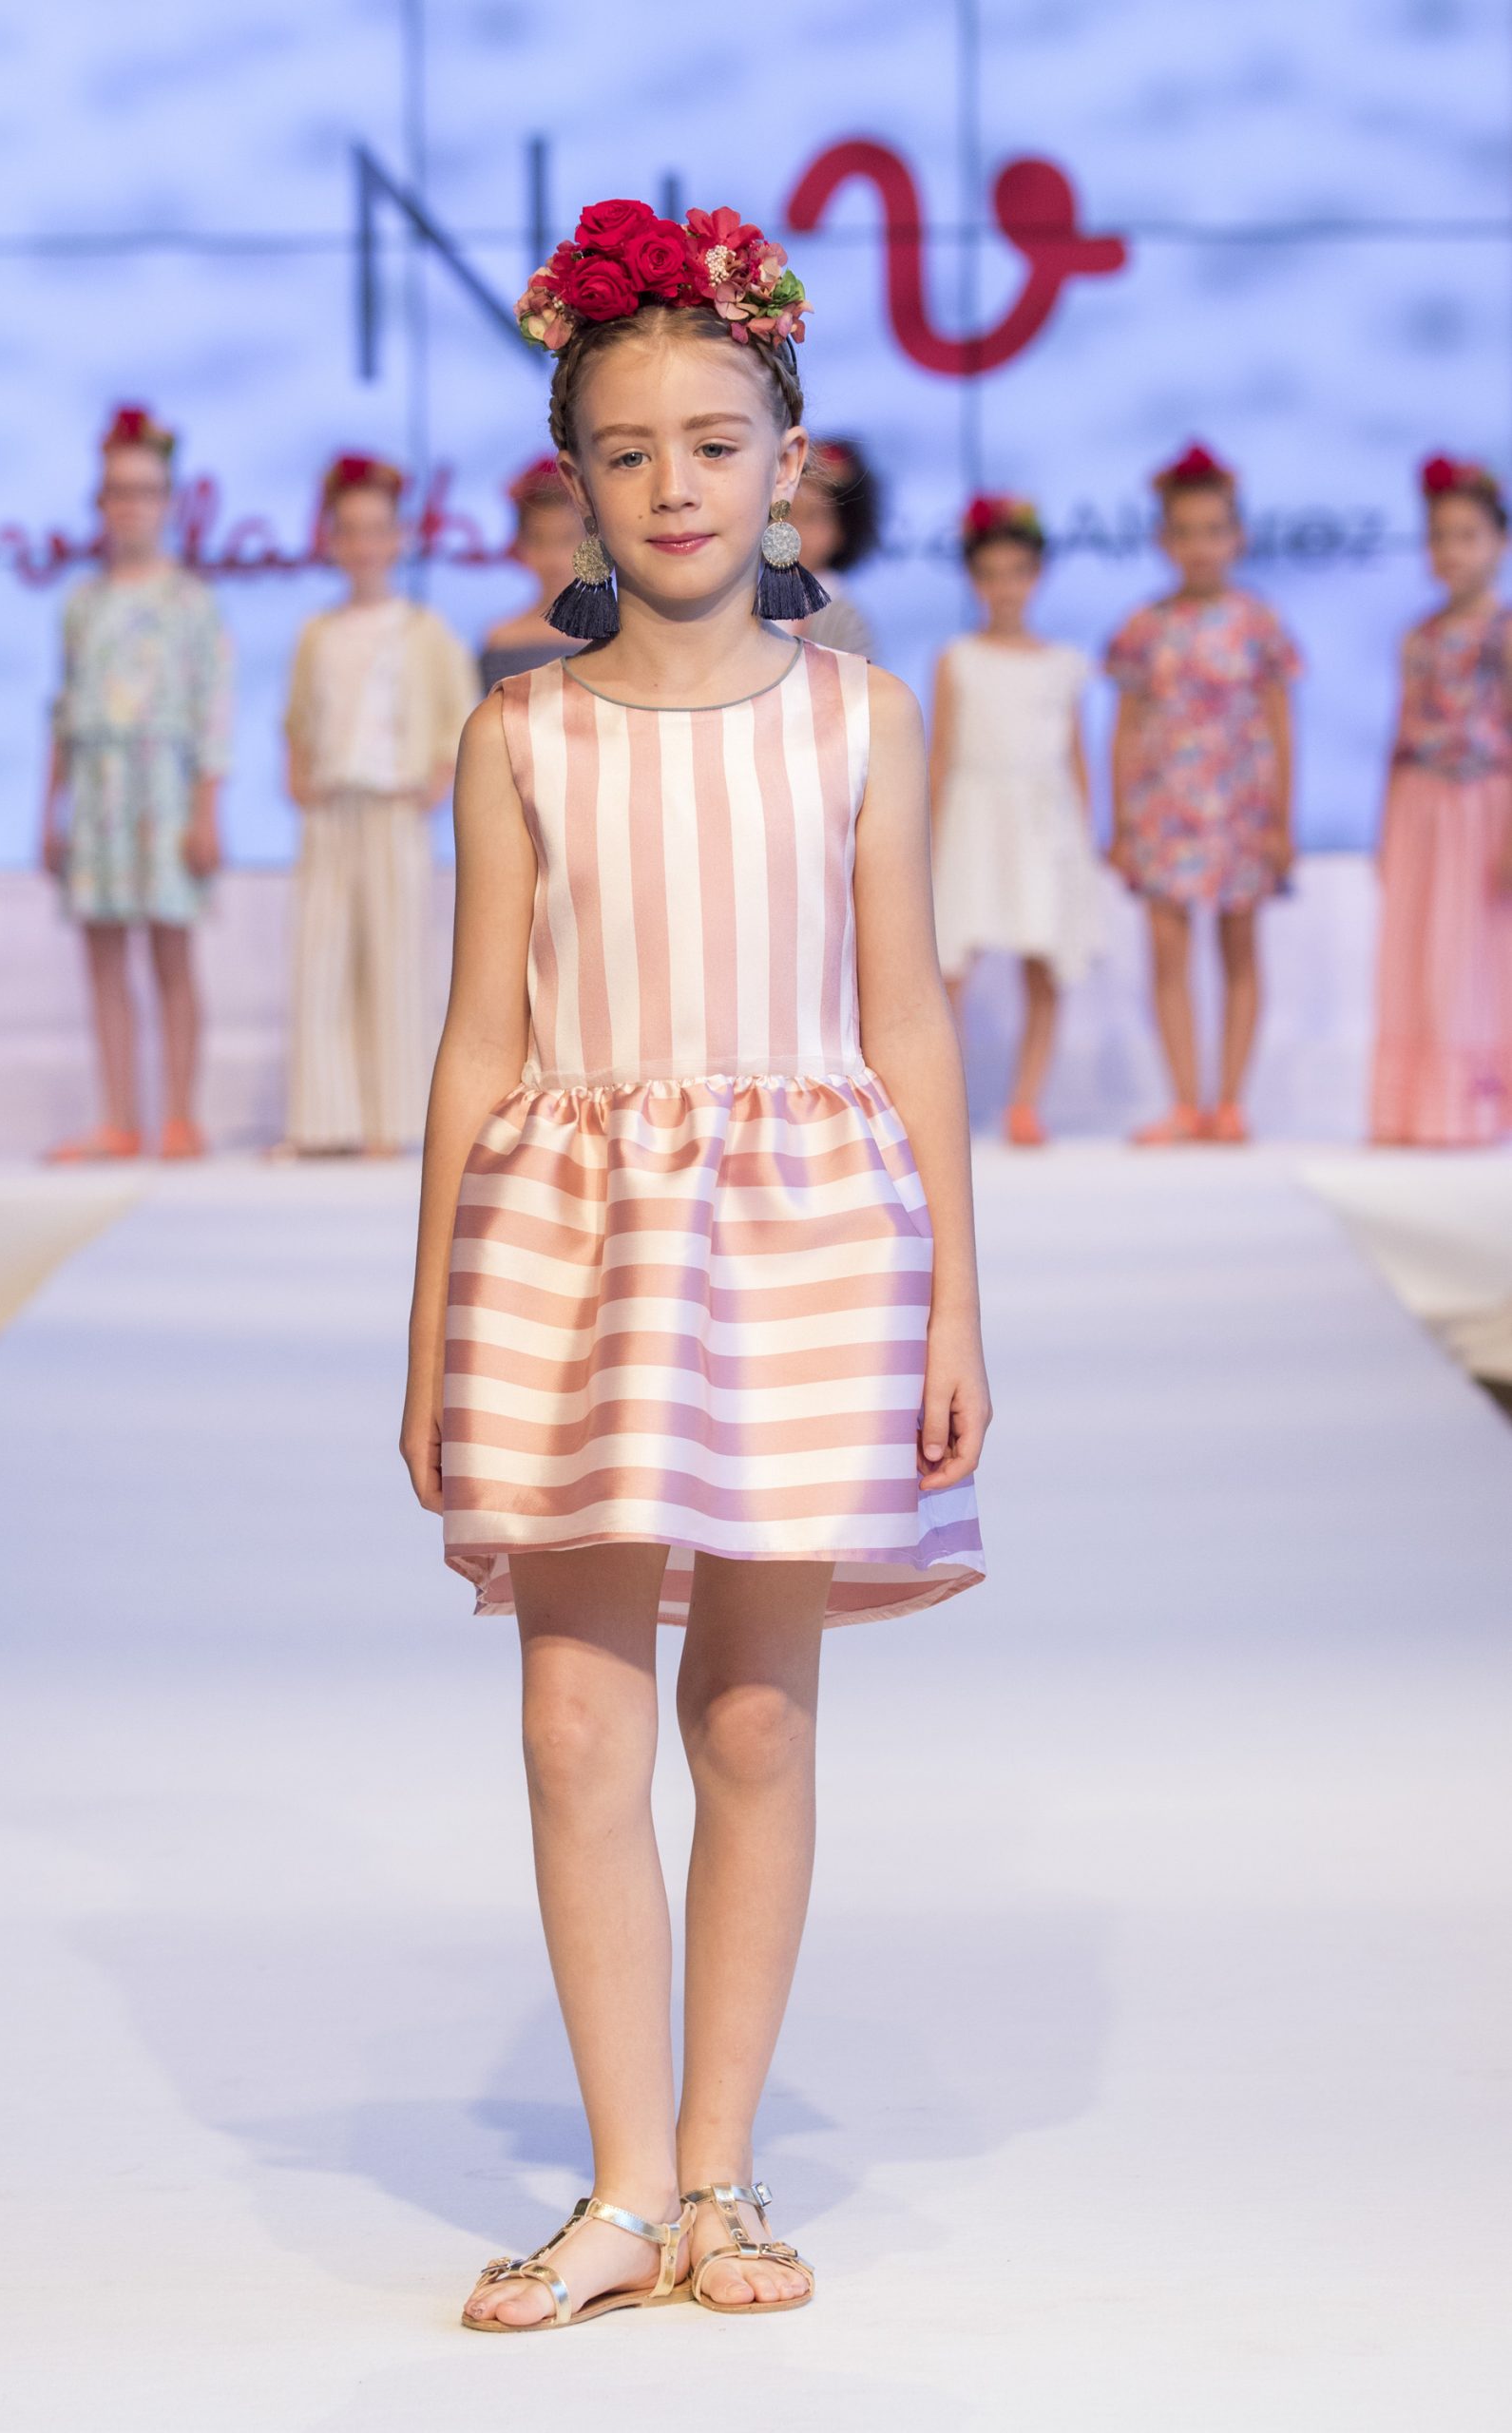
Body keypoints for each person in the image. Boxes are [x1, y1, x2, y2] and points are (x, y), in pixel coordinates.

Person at [400, 196, 988, 2332]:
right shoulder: (519, 733)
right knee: (573, 1722)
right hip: (567, 1242)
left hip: (808, 1235)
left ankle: (721, 2171)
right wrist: (427, 1331)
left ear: (787, 461)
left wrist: (955, 1298)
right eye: (630, 449)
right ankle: (623, 2186)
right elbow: (478, 1041)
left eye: (716, 444)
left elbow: (906, 1009)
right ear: (574, 475)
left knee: (748, 1707)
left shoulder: (859, 719)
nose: (674, 485)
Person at [40, 404, 232, 1162]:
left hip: (164, 791)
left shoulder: (191, 600)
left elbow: (213, 711)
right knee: (102, 957)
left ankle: (181, 1115)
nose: (131, 505)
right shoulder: (82, 603)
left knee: (170, 954)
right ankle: (118, 1119)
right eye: (118, 491)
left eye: (145, 490)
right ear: (101, 501)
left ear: (168, 501)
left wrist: (206, 812)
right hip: (97, 790)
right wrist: (50, 810)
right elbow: (63, 711)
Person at [278, 454, 478, 1158]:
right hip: (332, 809)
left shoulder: (423, 629)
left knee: (394, 960)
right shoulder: (318, 632)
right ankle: (321, 1120)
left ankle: (394, 1121)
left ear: (398, 539)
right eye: (349, 530)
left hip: (394, 807)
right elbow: (297, 717)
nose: (363, 545)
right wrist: (297, 773)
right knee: (322, 958)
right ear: (331, 540)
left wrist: (439, 777)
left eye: (376, 530)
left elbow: (458, 712)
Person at [1104, 442, 1301, 1145]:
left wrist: (1282, 821)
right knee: (1167, 951)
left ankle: (1232, 1103)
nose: (1200, 546)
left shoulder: (1258, 623)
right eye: (1185, 532)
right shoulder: (1145, 627)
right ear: (1163, 540)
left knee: (1240, 948)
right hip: (1164, 810)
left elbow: (1280, 726)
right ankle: (1186, 1102)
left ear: (1238, 536)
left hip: (1241, 806)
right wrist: (1120, 823)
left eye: (1214, 530)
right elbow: (1125, 731)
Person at [928, 494, 1098, 1146]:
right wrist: (926, 835)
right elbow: (940, 753)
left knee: (1043, 960)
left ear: (1037, 575)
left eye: (1017, 573)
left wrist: (1084, 840)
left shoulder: (1063, 663)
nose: (1004, 588)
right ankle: (943, 1098)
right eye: (991, 575)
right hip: (972, 816)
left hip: (1041, 821)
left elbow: (1076, 757)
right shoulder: (956, 657)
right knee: (949, 965)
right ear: (973, 580)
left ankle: (1025, 1103)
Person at [1370, 456, 1512, 1146]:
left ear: (1499, 543)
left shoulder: (1502, 631)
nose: (1451, 551)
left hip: (1480, 806)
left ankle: (1471, 1107)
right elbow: (1399, 734)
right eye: (1439, 537)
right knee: (1416, 952)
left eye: (1467, 536)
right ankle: (1416, 1108)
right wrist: (1384, 826)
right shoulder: (1417, 635)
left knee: (1470, 955)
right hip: (1418, 806)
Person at [478, 456, 585, 691]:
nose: (555, 559)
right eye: (539, 541)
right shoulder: (502, 640)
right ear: (520, 545)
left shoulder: (625, 636)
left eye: (567, 539)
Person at [786, 435, 881, 657]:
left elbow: (859, 677)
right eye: (785, 514)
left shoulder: (843, 615)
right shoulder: (744, 600)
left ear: (841, 531)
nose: (793, 530)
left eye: (811, 518)